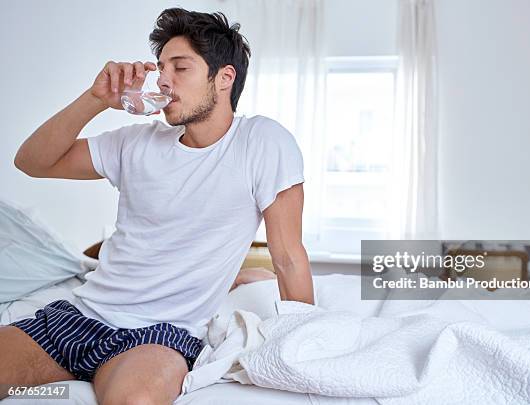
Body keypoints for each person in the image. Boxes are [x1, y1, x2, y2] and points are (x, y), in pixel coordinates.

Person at [1, 7, 313, 404]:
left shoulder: (262, 141)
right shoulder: (135, 143)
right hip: (81, 314)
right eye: (161, 67)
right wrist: (95, 99)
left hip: (161, 334)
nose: (163, 80)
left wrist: (306, 344)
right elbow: (31, 162)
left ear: (224, 78)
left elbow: (287, 257)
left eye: (180, 68)